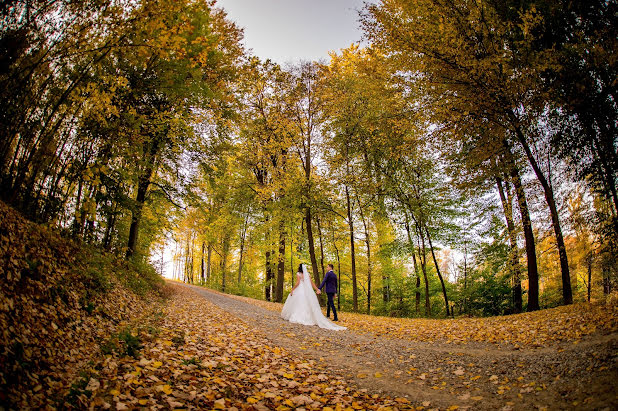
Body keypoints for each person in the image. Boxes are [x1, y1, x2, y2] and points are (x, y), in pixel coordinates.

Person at [281, 264, 346, 330]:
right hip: (312, 290)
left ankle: (332, 316)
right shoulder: (308, 274)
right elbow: (312, 283)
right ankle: (330, 316)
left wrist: (292, 289)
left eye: (327, 267)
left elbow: (298, 283)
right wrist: (317, 289)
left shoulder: (298, 274)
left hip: (301, 289)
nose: (327, 268)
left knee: (298, 302)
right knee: (325, 303)